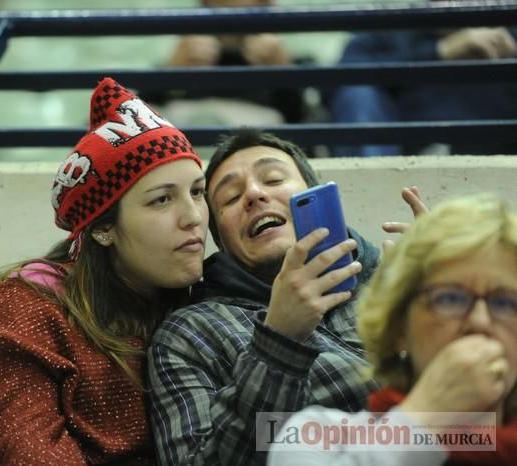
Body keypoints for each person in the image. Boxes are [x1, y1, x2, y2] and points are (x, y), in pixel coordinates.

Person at [0, 77, 209, 465]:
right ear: (102, 228)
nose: (193, 217)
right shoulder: (26, 311)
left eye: (197, 192)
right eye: (162, 200)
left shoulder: (197, 304)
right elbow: (31, 455)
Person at [146, 127, 426, 465]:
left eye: (274, 179)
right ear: (221, 240)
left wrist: (459, 294)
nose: (253, 194)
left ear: (315, 194)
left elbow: (485, 424)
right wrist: (279, 341)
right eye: (231, 198)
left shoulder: (396, 277)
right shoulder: (191, 334)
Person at [268, 193, 517, 465]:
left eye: (507, 303)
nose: (480, 321)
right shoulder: (319, 437)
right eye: (450, 298)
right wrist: (427, 414)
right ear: (399, 327)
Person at [329, 24, 517, 157]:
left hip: (495, 160)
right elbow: (337, 80)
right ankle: (373, 195)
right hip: (403, 161)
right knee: (356, 93)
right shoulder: (397, 31)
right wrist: (439, 51)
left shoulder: (506, 34)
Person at [143, 0, 305, 127]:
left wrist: (284, 73)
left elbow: (305, 124)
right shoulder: (184, 57)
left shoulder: (288, 62)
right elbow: (141, 120)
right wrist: (171, 72)